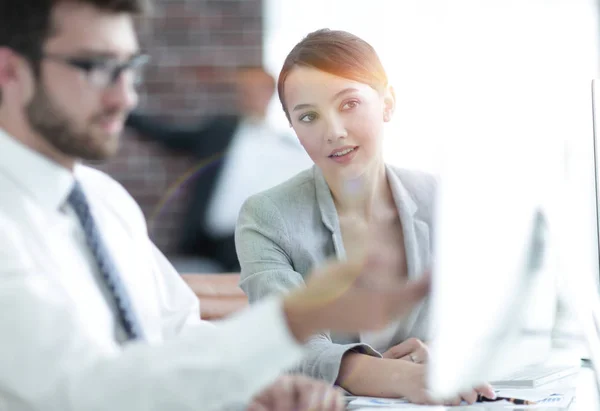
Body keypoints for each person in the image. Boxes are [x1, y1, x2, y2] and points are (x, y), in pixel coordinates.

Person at [0, 2, 434, 410]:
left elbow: (177, 328)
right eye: (95, 68)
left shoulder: (103, 202)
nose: (125, 97)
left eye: (129, 68)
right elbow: (88, 388)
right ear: (10, 72)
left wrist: (252, 386)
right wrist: (294, 320)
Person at [235, 28, 495, 405]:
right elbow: (284, 342)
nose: (334, 132)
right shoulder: (266, 217)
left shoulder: (441, 198)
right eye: (309, 117)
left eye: (349, 104)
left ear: (388, 102)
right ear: (292, 127)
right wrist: (398, 377)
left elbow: (482, 307)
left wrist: (442, 352)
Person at [126, 66, 312, 272]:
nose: (248, 97)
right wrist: (125, 112)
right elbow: (170, 137)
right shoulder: (219, 132)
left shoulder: (288, 147)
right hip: (207, 241)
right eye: (243, 91)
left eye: (256, 90)